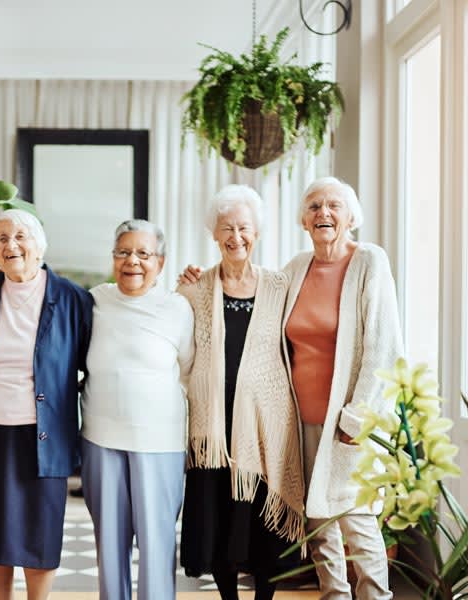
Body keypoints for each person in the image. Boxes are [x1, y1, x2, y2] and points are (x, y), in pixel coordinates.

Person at [176, 186, 305, 600]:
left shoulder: (280, 286)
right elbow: (176, 343)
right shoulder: (196, 289)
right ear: (214, 234)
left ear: (258, 232)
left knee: (261, 526)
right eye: (226, 228)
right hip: (211, 428)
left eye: (244, 227)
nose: (236, 236)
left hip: (265, 426)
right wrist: (180, 289)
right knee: (218, 522)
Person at [0, 209, 93, 600]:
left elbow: (91, 360)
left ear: (40, 245)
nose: (11, 245)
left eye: (20, 236)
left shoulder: (72, 298)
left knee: (41, 531)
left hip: (44, 434)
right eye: (1, 238)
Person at [283, 177, 401, 599]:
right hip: (302, 421)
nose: (323, 214)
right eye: (314, 206)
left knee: (356, 519)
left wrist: (359, 415)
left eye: (334, 206)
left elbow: (385, 348)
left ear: (351, 217)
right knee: (317, 524)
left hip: (349, 422)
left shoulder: (369, 261)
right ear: (303, 220)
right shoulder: (296, 268)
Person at [79, 219, 194, 600]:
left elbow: (191, 369)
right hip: (99, 436)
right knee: (109, 543)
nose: (133, 262)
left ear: (160, 263)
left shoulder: (178, 307)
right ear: (113, 259)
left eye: (144, 254)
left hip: (160, 441)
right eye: (124, 252)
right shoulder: (94, 300)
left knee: (156, 542)